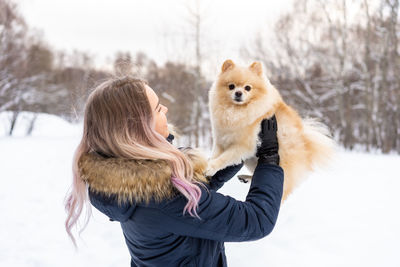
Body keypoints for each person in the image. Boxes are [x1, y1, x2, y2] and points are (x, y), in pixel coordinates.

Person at [64, 76, 284, 267]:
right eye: (158, 108)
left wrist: (236, 153)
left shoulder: (132, 178)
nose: (166, 109)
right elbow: (256, 220)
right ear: (139, 129)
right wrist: (270, 158)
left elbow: (194, 190)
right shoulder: (163, 197)